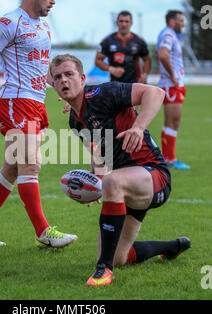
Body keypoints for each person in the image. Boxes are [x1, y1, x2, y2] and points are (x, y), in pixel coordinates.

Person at [50, 54, 191, 286]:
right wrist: (95, 182)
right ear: (53, 84)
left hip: (153, 175)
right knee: (118, 256)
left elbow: (155, 93)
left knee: (113, 183)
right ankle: (172, 247)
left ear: (82, 78)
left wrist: (138, 128)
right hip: (126, 184)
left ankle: (103, 271)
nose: (64, 80)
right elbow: (98, 153)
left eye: (69, 74)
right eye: (58, 77)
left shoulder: (102, 93)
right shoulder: (75, 121)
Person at [0, 0, 77, 249]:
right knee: (31, 164)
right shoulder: (9, 22)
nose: (53, 1)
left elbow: (40, 68)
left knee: (12, 168)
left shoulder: (44, 27)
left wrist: (64, 89)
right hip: (16, 101)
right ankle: (44, 232)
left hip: (35, 104)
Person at [157, 10, 190, 170]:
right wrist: (173, 75)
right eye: (181, 20)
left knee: (171, 122)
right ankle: (169, 159)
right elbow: (163, 55)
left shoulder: (170, 35)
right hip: (171, 85)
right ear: (172, 21)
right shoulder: (168, 35)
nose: (183, 23)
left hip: (173, 85)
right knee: (173, 122)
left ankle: (167, 157)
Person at [95, 11, 152, 84]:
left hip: (134, 83)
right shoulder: (107, 41)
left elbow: (147, 60)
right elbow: (98, 60)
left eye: (126, 21)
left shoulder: (139, 40)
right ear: (117, 23)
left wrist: (145, 75)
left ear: (131, 23)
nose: (124, 24)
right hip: (115, 84)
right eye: (121, 21)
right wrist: (112, 70)